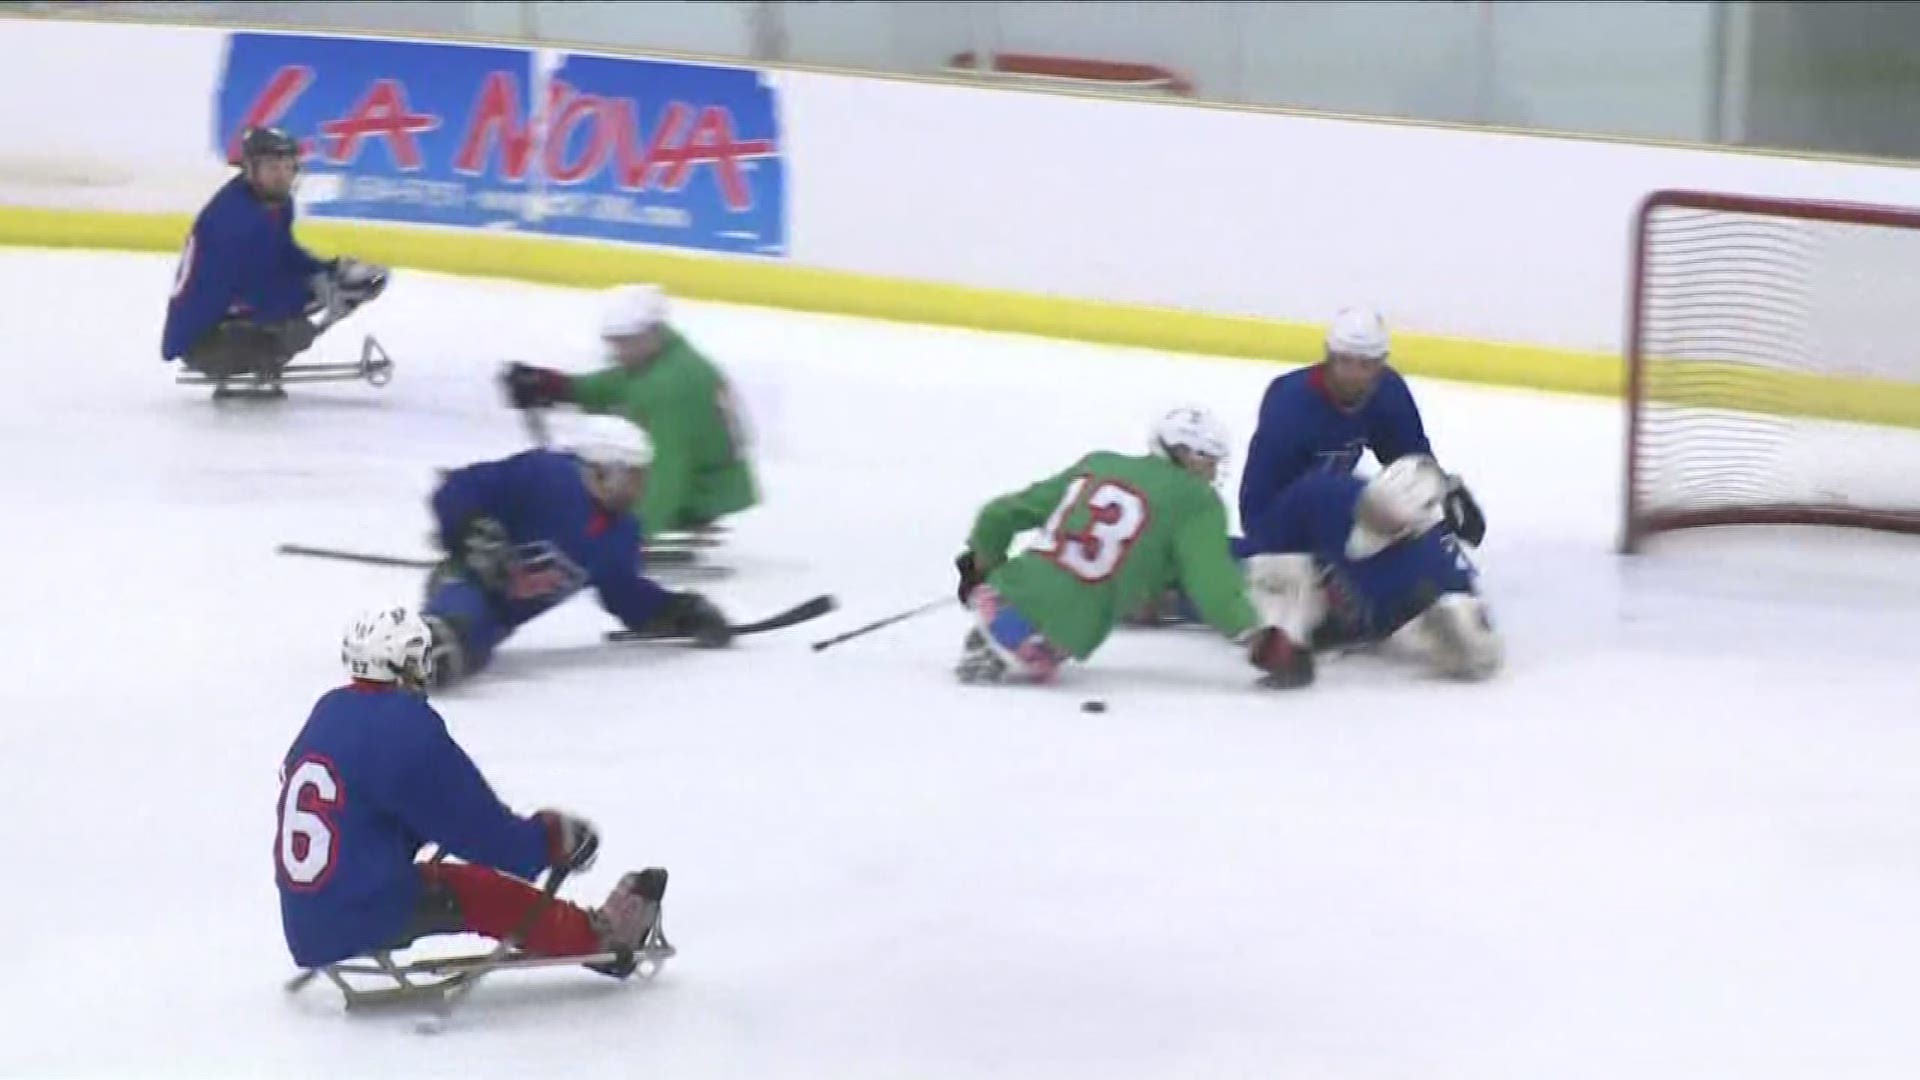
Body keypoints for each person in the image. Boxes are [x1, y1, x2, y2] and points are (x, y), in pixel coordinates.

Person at [275, 604, 668, 977]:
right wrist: (549, 840)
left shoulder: (331, 708)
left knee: (440, 869)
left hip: (308, 914)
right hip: (357, 912)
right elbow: (485, 833)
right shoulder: (404, 727)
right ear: (403, 662)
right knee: (483, 893)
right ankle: (601, 941)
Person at [952, 406, 1312, 688]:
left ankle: (994, 639)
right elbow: (1211, 584)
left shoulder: (1099, 463)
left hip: (996, 602)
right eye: (1207, 459)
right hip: (1054, 638)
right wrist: (1260, 641)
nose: (1212, 471)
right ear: (1183, 453)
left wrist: (982, 566)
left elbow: (999, 514)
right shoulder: (1198, 501)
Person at [421, 414, 734, 687]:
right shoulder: (543, 475)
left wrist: (680, 613)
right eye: (633, 477)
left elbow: (626, 593)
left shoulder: (621, 534)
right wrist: (470, 529)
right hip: (465, 580)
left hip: (501, 619)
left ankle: (447, 648)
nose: (640, 489)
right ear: (601, 471)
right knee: (462, 619)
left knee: (474, 647)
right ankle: (425, 642)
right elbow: (459, 487)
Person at [499, 284, 760, 540]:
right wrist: (555, 386)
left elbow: (667, 471)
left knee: (591, 469)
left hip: (700, 491)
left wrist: (629, 535)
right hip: (712, 481)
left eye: (625, 343)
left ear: (652, 332)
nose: (618, 352)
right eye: (614, 344)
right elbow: (615, 386)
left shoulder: (670, 386)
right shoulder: (662, 359)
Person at [161, 126, 389, 395]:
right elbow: (248, 292)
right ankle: (250, 357)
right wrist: (321, 301)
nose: (282, 176)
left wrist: (331, 270)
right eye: (272, 168)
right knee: (295, 328)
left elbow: (283, 254)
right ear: (249, 169)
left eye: (288, 167)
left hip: (226, 320)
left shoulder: (269, 202)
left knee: (311, 304)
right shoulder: (236, 225)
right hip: (206, 343)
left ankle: (266, 346)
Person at [1239, 455, 1503, 685]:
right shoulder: (1325, 494)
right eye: (1371, 508)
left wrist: (1461, 635)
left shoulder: (1439, 570)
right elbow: (1267, 543)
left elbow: (1480, 651)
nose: (1372, 523)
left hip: (1355, 625)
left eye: (1387, 520)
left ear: (1414, 527)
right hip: (1294, 589)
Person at [1237, 306, 1485, 548]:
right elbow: (1261, 502)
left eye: (1365, 364)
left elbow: (1411, 461)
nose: (1354, 374)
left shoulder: (1388, 393)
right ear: (1328, 356)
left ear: (1382, 363)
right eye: (1345, 361)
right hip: (1278, 521)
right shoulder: (1290, 403)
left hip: (1338, 512)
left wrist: (1440, 491)